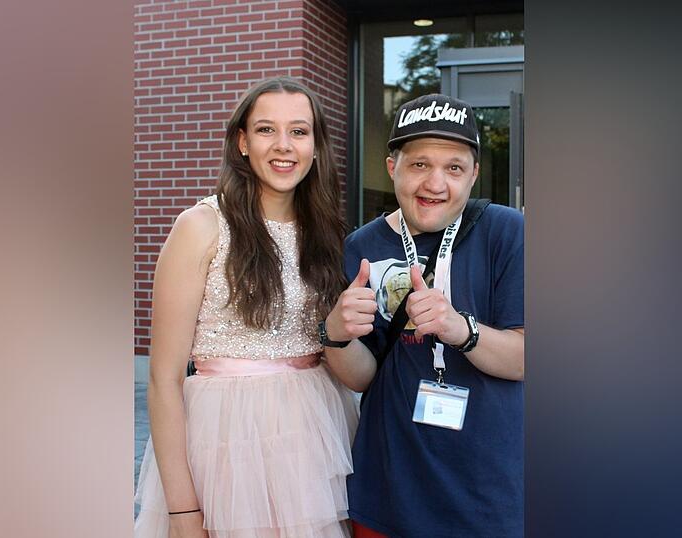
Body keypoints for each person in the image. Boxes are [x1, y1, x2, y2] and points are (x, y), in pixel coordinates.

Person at [134, 76, 359, 538]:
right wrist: (182, 512)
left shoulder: (328, 235)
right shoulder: (200, 226)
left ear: (316, 147)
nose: (284, 145)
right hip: (226, 445)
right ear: (241, 142)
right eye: (265, 130)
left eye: (299, 131)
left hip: (314, 438)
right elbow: (163, 379)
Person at [321, 94, 525, 538]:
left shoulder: (508, 233)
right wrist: (335, 336)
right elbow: (362, 376)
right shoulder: (361, 246)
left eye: (453, 167)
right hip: (389, 487)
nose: (435, 183)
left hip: (489, 494)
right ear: (392, 167)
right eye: (419, 165)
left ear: (474, 174)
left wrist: (460, 329)